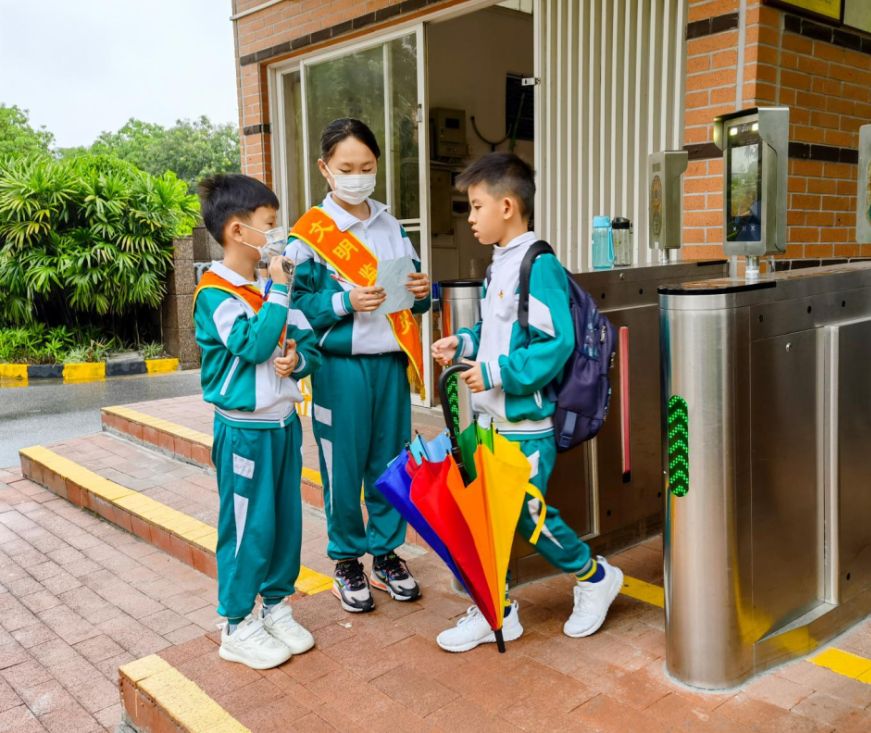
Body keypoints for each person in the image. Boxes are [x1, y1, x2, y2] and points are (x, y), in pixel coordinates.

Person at [431, 152, 624, 652]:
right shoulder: (501, 263)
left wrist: (494, 373)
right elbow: (499, 333)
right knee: (490, 521)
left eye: (476, 207)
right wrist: (465, 345)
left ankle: (594, 575)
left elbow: (554, 342)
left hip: (526, 424)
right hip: (495, 422)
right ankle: (499, 610)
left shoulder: (538, 266)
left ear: (508, 205)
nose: (470, 218)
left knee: (529, 520)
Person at [286, 118, 431, 614]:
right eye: (346, 168)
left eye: (366, 167)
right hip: (339, 368)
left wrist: (422, 292)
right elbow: (293, 305)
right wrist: (345, 301)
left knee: (392, 465)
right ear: (325, 169)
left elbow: (414, 296)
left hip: (390, 363)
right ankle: (347, 559)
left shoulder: (392, 226)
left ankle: (387, 553)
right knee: (342, 468)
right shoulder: (309, 236)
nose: (358, 176)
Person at [194, 174, 320, 669]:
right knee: (248, 528)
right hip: (244, 431)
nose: (279, 236)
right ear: (236, 230)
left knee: (285, 524)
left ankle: (275, 607)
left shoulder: (269, 289)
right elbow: (253, 344)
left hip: (284, 424)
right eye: (270, 226)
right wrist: (279, 294)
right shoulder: (215, 294)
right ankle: (236, 622)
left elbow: (303, 343)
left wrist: (298, 361)